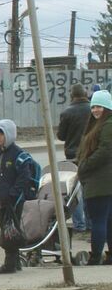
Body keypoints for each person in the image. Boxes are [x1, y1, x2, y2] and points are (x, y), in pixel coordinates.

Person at [0, 119, 38, 275]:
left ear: (9, 134)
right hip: (0, 200)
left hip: (12, 201)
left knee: (10, 232)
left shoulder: (18, 155)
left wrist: (13, 194)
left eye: (1, 133)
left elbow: (24, 177)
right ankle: (15, 262)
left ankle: (9, 264)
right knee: (6, 230)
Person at [75, 89, 112, 265]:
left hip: (100, 182)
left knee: (98, 220)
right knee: (107, 220)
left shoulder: (107, 125)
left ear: (107, 107)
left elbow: (105, 150)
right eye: (94, 107)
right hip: (101, 181)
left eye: (100, 107)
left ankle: (95, 256)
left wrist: (84, 166)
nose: (96, 110)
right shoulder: (98, 125)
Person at [57, 83, 92, 232]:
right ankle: (90, 224)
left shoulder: (67, 113)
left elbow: (61, 136)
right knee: (89, 190)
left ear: (72, 96)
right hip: (90, 154)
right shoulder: (93, 110)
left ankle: (79, 225)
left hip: (72, 156)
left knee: (74, 193)